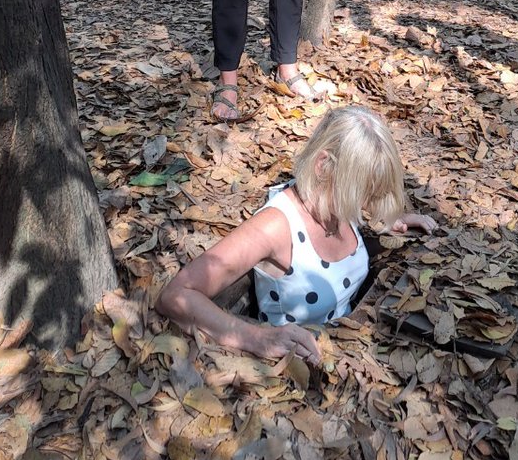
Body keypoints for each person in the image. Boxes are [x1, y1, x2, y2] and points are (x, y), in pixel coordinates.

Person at [156, 106, 436, 365]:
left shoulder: (335, 202)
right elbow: (176, 295)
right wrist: (256, 338)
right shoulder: (275, 226)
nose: (365, 202)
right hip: (294, 366)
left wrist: (388, 218)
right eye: (362, 191)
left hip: (348, 350)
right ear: (323, 166)